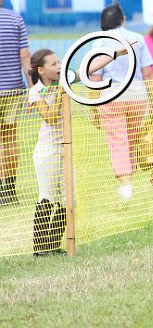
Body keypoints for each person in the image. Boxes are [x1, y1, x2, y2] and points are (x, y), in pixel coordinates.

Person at [28, 47, 125, 256]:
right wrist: (61, 92)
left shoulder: (65, 79)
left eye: (59, 62)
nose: (59, 66)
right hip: (47, 151)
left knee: (69, 200)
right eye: (54, 64)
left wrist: (115, 54)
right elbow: (50, 118)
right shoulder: (36, 91)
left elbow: (87, 69)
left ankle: (53, 246)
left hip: (65, 149)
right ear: (41, 70)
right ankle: (40, 249)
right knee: (48, 197)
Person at [89, 2, 153, 201]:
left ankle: (126, 184)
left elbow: (95, 77)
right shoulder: (138, 38)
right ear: (122, 19)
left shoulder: (99, 43)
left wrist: (94, 108)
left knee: (118, 140)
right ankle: (128, 179)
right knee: (132, 138)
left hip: (111, 96)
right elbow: (148, 73)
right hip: (137, 95)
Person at [0, 0, 31, 205]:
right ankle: (9, 190)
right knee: (10, 139)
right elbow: (25, 56)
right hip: (13, 90)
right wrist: (33, 87)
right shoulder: (15, 19)